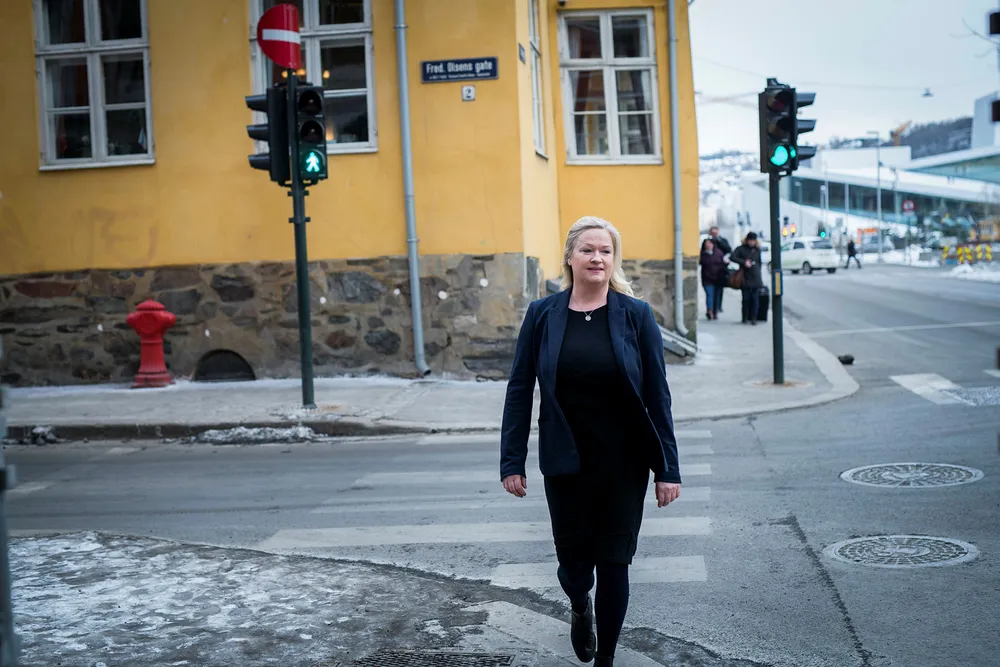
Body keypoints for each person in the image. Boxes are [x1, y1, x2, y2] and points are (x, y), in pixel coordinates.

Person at [500, 216, 683, 667]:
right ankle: (580, 604)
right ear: (570, 257)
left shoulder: (635, 315)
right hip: (566, 461)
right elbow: (520, 388)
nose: (597, 258)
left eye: (605, 250)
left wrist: (667, 469)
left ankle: (606, 659)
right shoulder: (543, 314)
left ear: (614, 259)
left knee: (615, 561)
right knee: (574, 564)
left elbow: (657, 395)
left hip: (624, 461)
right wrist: (512, 461)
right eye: (587, 250)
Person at [730, 232, 764, 325]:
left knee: (755, 300)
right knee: (746, 299)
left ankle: (753, 318)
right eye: (750, 240)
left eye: (753, 241)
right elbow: (732, 257)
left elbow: (759, 263)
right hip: (745, 277)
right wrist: (743, 262)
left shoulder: (757, 250)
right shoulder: (741, 249)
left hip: (756, 277)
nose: (752, 242)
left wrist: (759, 276)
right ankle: (745, 317)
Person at [699, 238, 726, 320]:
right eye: (706, 244)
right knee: (709, 295)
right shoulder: (703, 254)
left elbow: (723, 263)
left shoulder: (718, 253)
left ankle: (715, 311)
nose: (708, 245)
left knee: (716, 296)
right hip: (707, 278)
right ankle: (709, 311)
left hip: (718, 278)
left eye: (710, 243)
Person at [707, 226, 732, 313]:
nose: (714, 235)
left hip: (721, 269)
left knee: (719, 290)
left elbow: (728, 249)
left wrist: (719, 241)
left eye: (715, 233)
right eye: (712, 233)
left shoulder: (722, 240)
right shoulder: (708, 241)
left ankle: (718, 306)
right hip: (709, 270)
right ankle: (711, 308)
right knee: (711, 291)